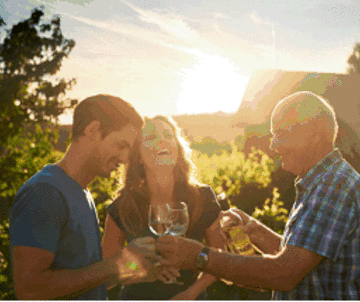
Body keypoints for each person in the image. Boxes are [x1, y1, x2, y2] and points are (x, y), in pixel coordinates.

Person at [157, 91, 360, 300]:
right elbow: (308, 261)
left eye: (281, 134)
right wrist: (255, 231)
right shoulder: (323, 181)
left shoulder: (333, 186)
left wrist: (199, 257)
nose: (273, 146)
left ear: (314, 133)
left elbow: (285, 273)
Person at [9, 94, 159, 300]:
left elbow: (87, 281)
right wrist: (113, 264)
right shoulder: (45, 192)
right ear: (92, 131)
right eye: (121, 145)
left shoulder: (82, 192)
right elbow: (31, 291)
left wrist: (133, 272)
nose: (125, 159)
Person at [102, 115, 226, 300]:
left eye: (168, 135)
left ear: (177, 148)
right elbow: (108, 268)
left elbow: (220, 256)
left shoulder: (203, 198)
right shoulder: (122, 207)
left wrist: (190, 294)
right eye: (151, 137)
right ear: (139, 157)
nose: (162, 140)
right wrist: (141, 270)